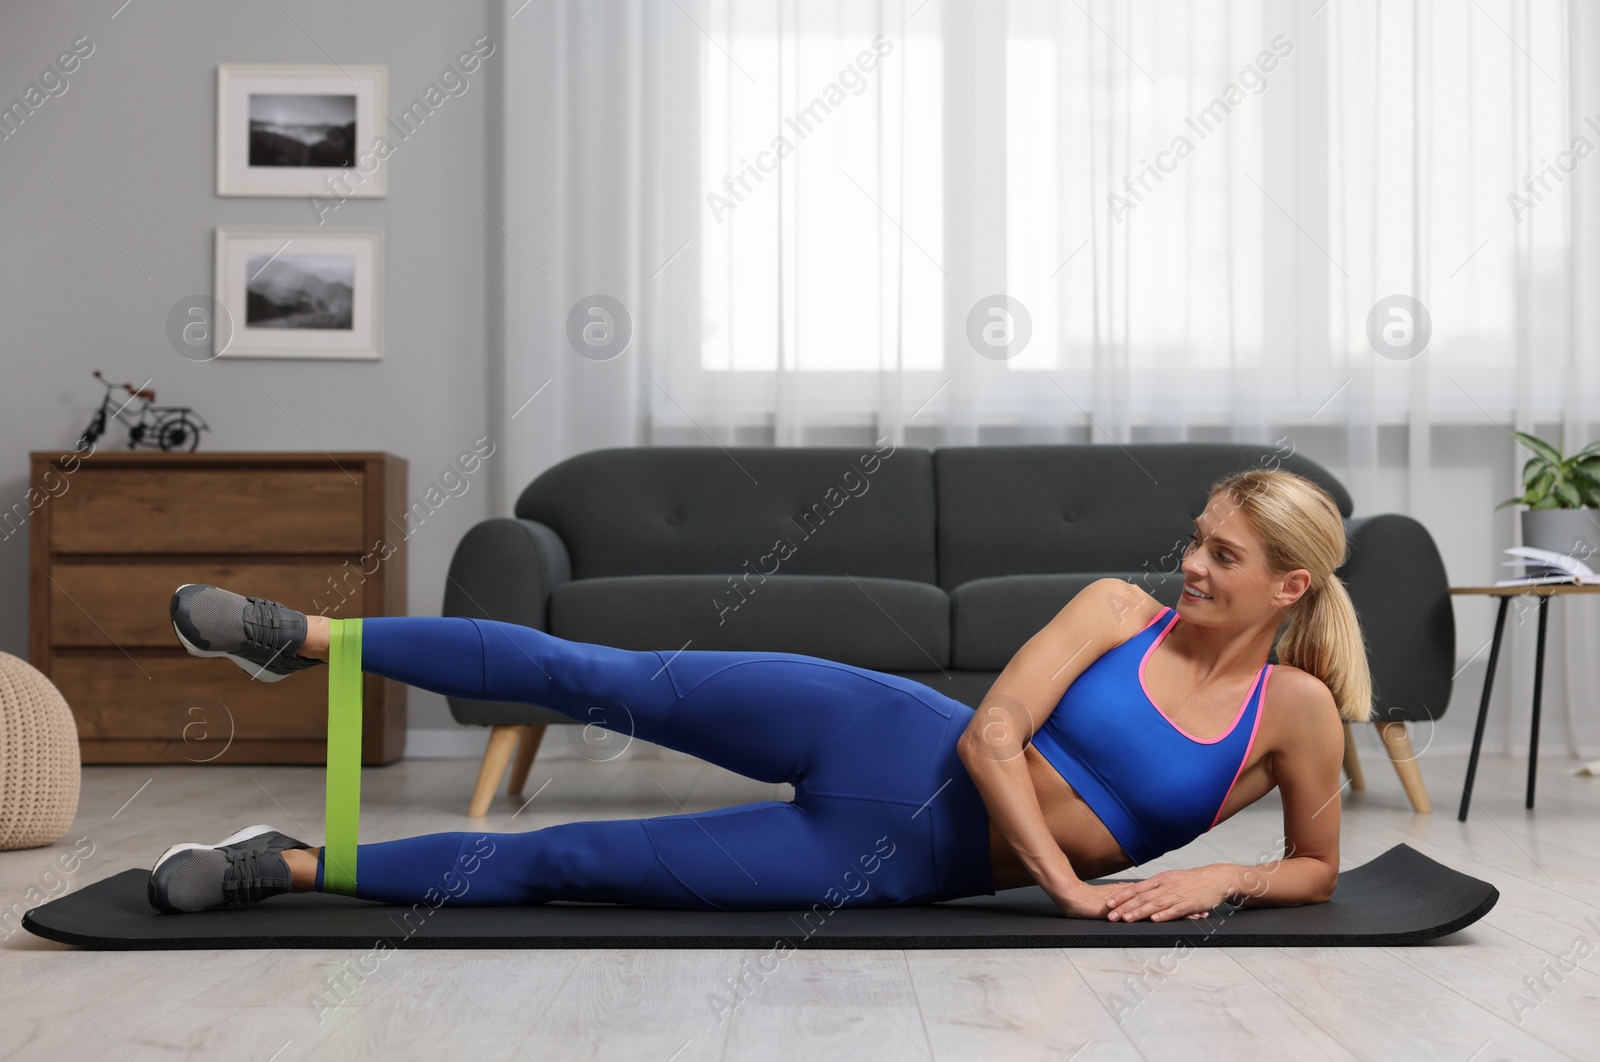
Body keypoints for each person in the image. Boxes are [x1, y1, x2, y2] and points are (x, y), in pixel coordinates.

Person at [148, 466, 1368, 922]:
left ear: (1287, 582)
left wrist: (1223, 872)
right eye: (1196, 538)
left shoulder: (1294, 714)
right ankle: (300, 636)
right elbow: (997, 732)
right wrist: (1066, 887)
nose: (1189, 564)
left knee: (574, 859)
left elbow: (1315, 866)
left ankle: (290, 864)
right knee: (597, 677)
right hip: (880, 726)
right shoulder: (1116, 608)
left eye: (1220, 554)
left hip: (884, 853)